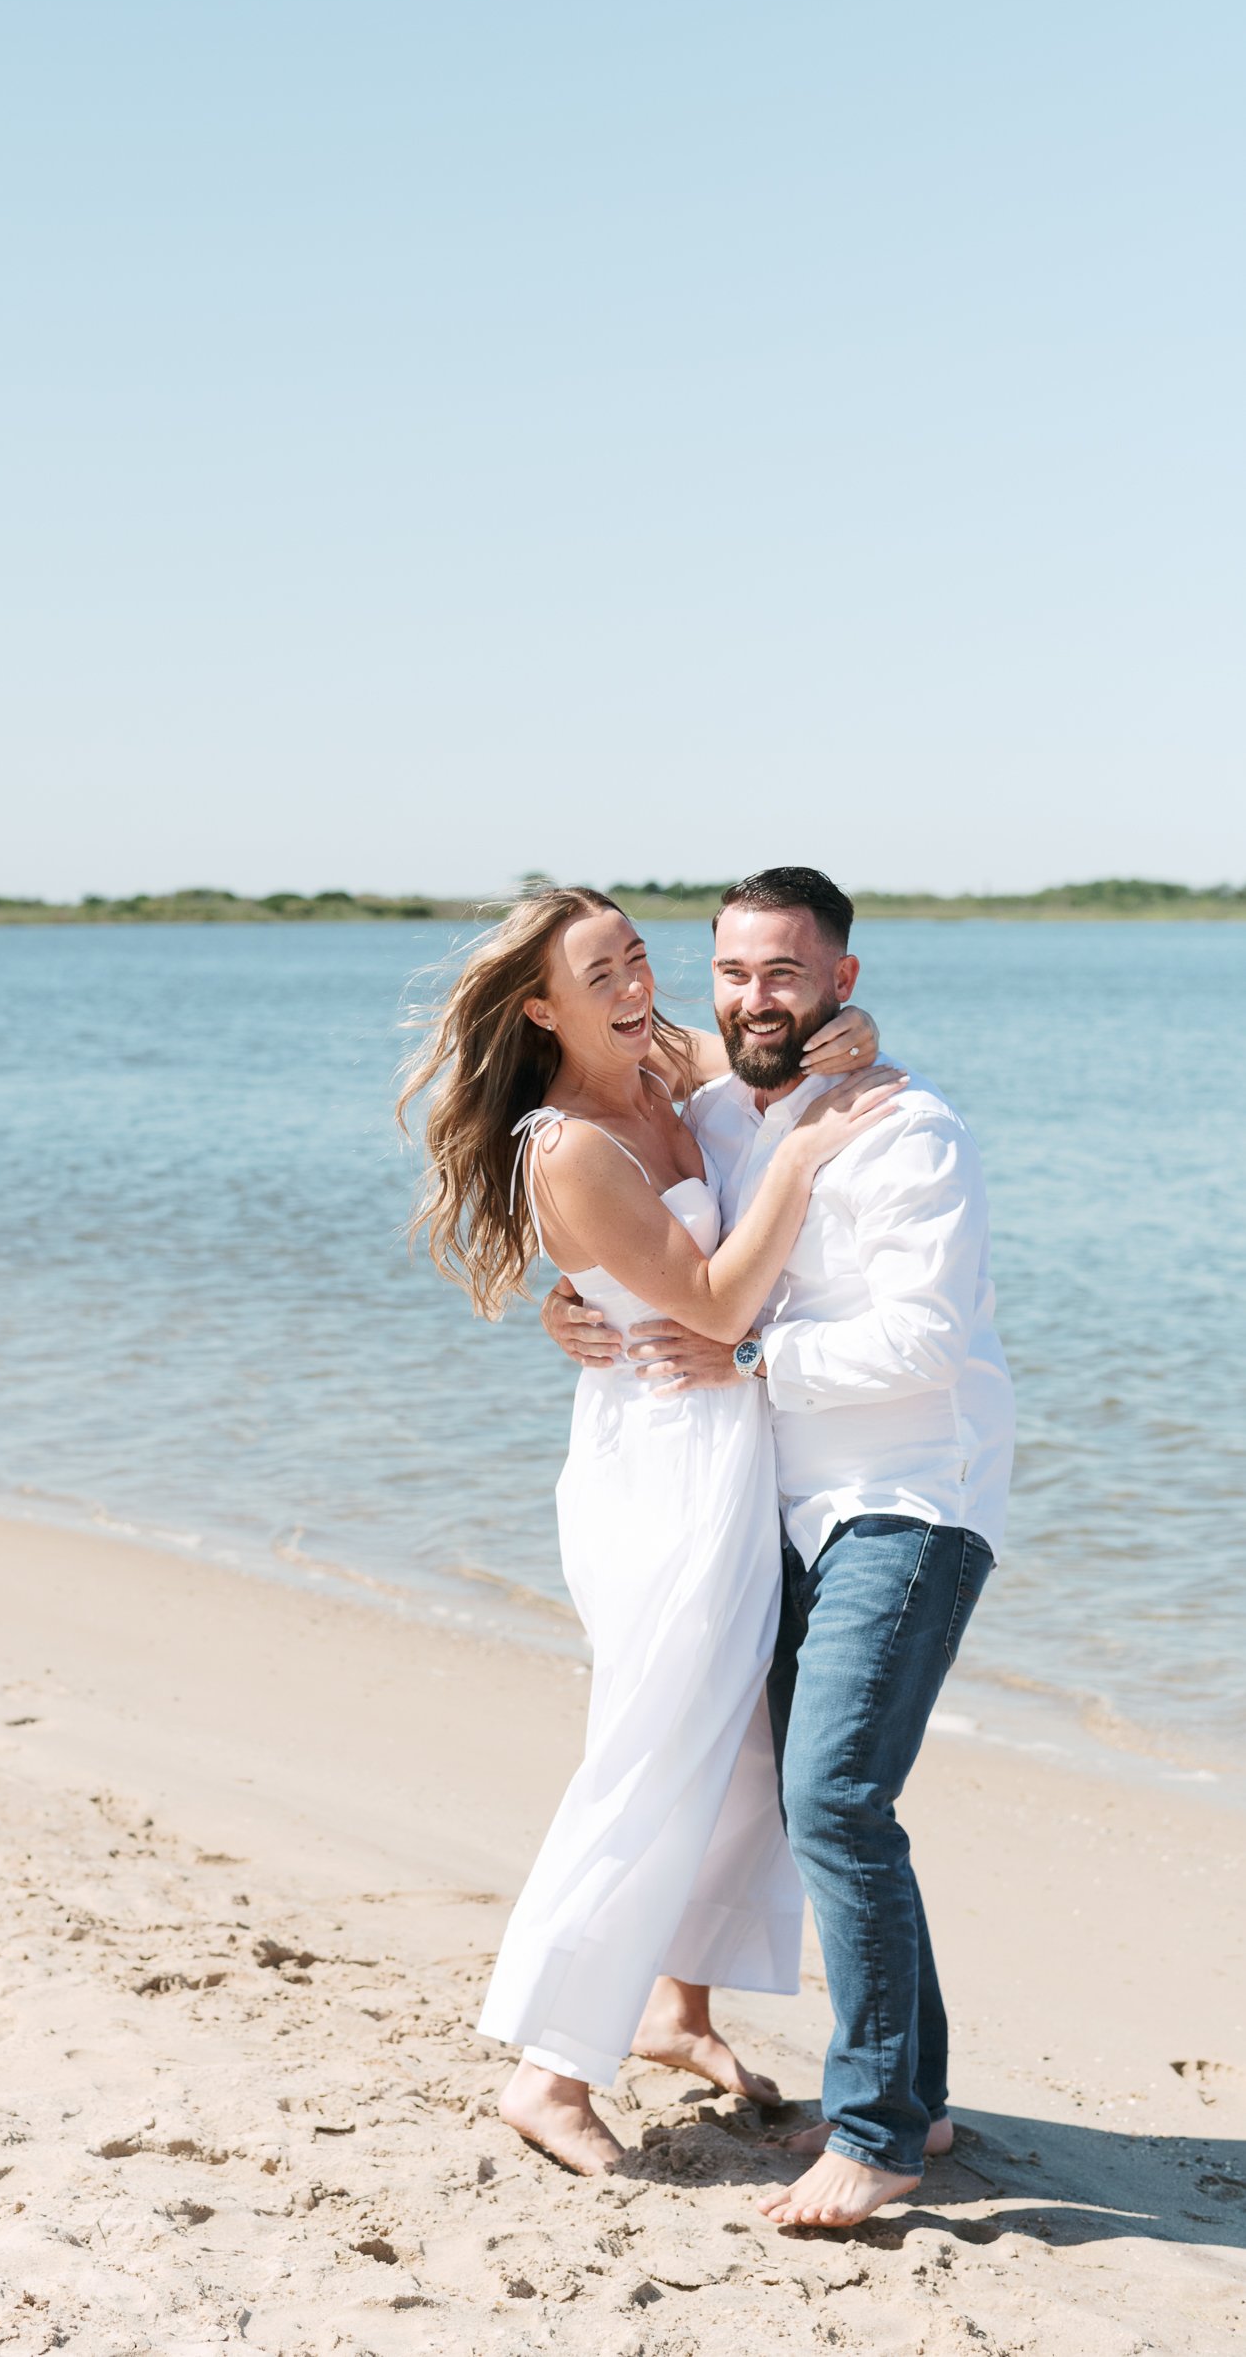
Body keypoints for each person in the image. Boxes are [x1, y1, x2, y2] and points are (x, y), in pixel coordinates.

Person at [399, 886, 901, 2175]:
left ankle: (677, 2016)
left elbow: (788, 1043)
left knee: (739, 1746)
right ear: (538, 1007)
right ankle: (551, 2071)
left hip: (728, 1449)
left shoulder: (661, 1066)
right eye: (598, 974)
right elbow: (722, 1310)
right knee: (654, 1750)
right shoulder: (565, 1143)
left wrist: (847, 1042)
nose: (634, 987)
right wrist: (806, 1151)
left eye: (636, 957)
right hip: (661, 1465)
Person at [544, 865, 1015, 2226]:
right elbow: (644, 1238)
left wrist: (751, 1352)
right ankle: (914, 2100)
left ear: (841, 986)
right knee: (836, 1801)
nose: (759, 997)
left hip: (910, 1501)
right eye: (738, 973)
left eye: (788, 975)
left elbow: (925, 1342)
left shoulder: (906, 1129)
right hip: (779, 1510)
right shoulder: (709, 1111)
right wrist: (563, 1311)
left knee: (838, 1803)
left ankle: (869, 2134)